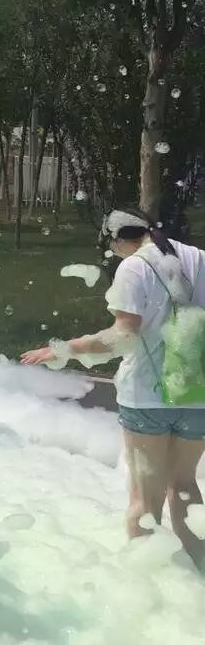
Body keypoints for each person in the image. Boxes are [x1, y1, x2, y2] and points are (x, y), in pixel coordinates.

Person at [21, 208, 205, 566]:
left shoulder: (134, 266)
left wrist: (63, 349)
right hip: (196, 393)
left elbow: (122, 336)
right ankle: (198, 580)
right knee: (184, 486)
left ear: (119, 237)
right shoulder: (199, 258)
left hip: (146, 397)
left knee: (144, 501)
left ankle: (146, 588)